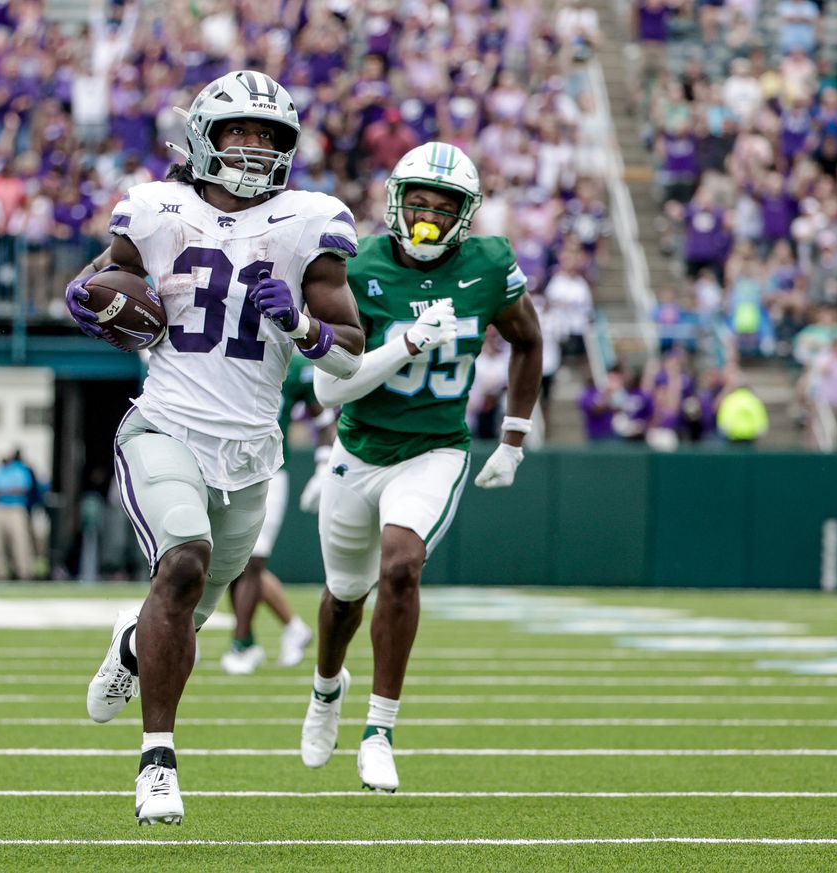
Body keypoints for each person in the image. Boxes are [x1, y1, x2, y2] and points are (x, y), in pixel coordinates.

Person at [64, 69, 364, 825]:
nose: (256, 148)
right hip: (165, 424)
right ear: (205, 136)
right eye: (241, 132)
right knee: (185, 558)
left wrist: (299, 326)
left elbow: (350, 351)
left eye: (269, 137)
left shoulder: (308, 221)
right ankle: (157, 761)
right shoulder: (157, 208)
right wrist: (91, 295)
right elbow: (106, 282)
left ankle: (135, 645)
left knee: (184, 605)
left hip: (250, 451)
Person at [299, 142, 542, 792]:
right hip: (360, 446)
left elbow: (528, 338)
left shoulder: (490, 264)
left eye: (445, 206)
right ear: (397, 201)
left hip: (435, 447)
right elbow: (330, 388)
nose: (430, 216)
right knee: (343, 596)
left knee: (402, 565)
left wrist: (513, 437)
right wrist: (405, 343)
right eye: (421, 202)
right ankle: (326, 689)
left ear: (466, 214)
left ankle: (379, 729)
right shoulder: (360, 265)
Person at [219, 354, 324, 676]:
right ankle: (286, 629)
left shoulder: (294, 365)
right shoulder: (222, 353)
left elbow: (322, 415)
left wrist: (324, 460)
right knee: (228, 561)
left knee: (253, 560)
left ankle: (242, 644)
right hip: (224, 466)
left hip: (269, 469)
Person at [0, 453, 34, 580]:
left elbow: (22, 488)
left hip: (15, 509)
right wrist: (8, 491)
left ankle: (23, 573)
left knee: (20, 542)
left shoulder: (19, 471)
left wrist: (3, 491)